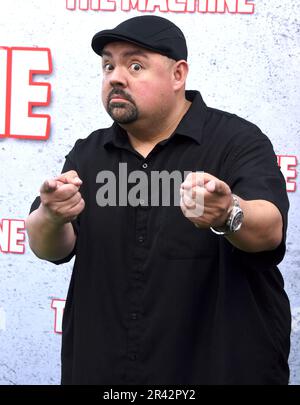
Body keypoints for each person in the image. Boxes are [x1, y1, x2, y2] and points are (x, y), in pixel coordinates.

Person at [26, 15, 291, 385]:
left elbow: (270, 230)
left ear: (178, 75)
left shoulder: (236, 141)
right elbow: (49, 247)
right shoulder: (88, 154)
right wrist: (52, 217)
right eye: (108, 65)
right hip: (106, 369)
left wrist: (227, 213)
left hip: (216, 368)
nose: (116, 77)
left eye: (135, 65)